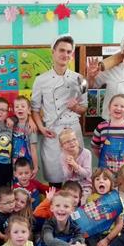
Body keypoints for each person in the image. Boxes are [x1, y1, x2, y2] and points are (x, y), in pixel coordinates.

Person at [32, 34, 87, 185]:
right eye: (61, 50)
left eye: (69, 52)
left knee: (75, 179)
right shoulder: (40, 80)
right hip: (53, 132)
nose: (65, 55)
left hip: (73, 131)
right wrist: (42, 128)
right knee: (54, 180)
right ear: (53, 52)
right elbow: (35, 109)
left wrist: (75, 107)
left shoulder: (80, 79)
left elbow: (84, 108)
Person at [90, 93, 124, 175]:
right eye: (115, 105)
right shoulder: (101, 127)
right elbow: (95, 146)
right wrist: (103, 157)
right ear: (109, 107)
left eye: (122, 106)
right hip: (105, 172)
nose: (118, 108)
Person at [59, 128, 92, 203]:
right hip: (70, 185)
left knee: (84, 201)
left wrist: (75, 165)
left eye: (74, 139)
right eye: (67, 141)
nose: (72, 143)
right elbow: (67, 176)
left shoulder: (86, 153)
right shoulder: (63, 156)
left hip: (85, 184)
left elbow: (87, 174)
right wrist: (69, 167)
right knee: (66, 201)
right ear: (62, 146)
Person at [12, 96, 40, 174]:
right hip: (14, 162)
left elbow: (33, 149)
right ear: (14, 110)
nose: (19, 108)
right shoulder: (12, 124)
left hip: (27, 163)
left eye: (23, 106)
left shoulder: (31, 127)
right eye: (17, 107)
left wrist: (36, 167)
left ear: (28, 109)